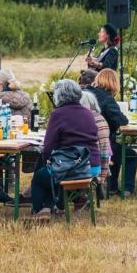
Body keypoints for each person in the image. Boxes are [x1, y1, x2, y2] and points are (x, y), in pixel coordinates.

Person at [31, 79, 100, 221]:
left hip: (73, 166)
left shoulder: (58, 114)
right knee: (55, 172)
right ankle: (50, 206)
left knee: (40, 176)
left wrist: (46, 162)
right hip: (92, 166)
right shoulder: (88, 113)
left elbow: (48, 146)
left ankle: (38, 211)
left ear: (59, 95)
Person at [89, 68, 129, 195]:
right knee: (128, 153)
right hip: (101, 143)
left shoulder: (86, 92)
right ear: (114, 83)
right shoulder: (107, 99)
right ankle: (125, 188)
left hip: (83, 140)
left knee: (117, 149)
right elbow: (122, 121)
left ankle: (112, 186)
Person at [80, 91, 112, 186]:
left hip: (87, 164)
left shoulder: (87, 119)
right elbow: (105, 151)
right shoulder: (100, 119)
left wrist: (101, 176)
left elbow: (104, 151)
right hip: (92, 163)